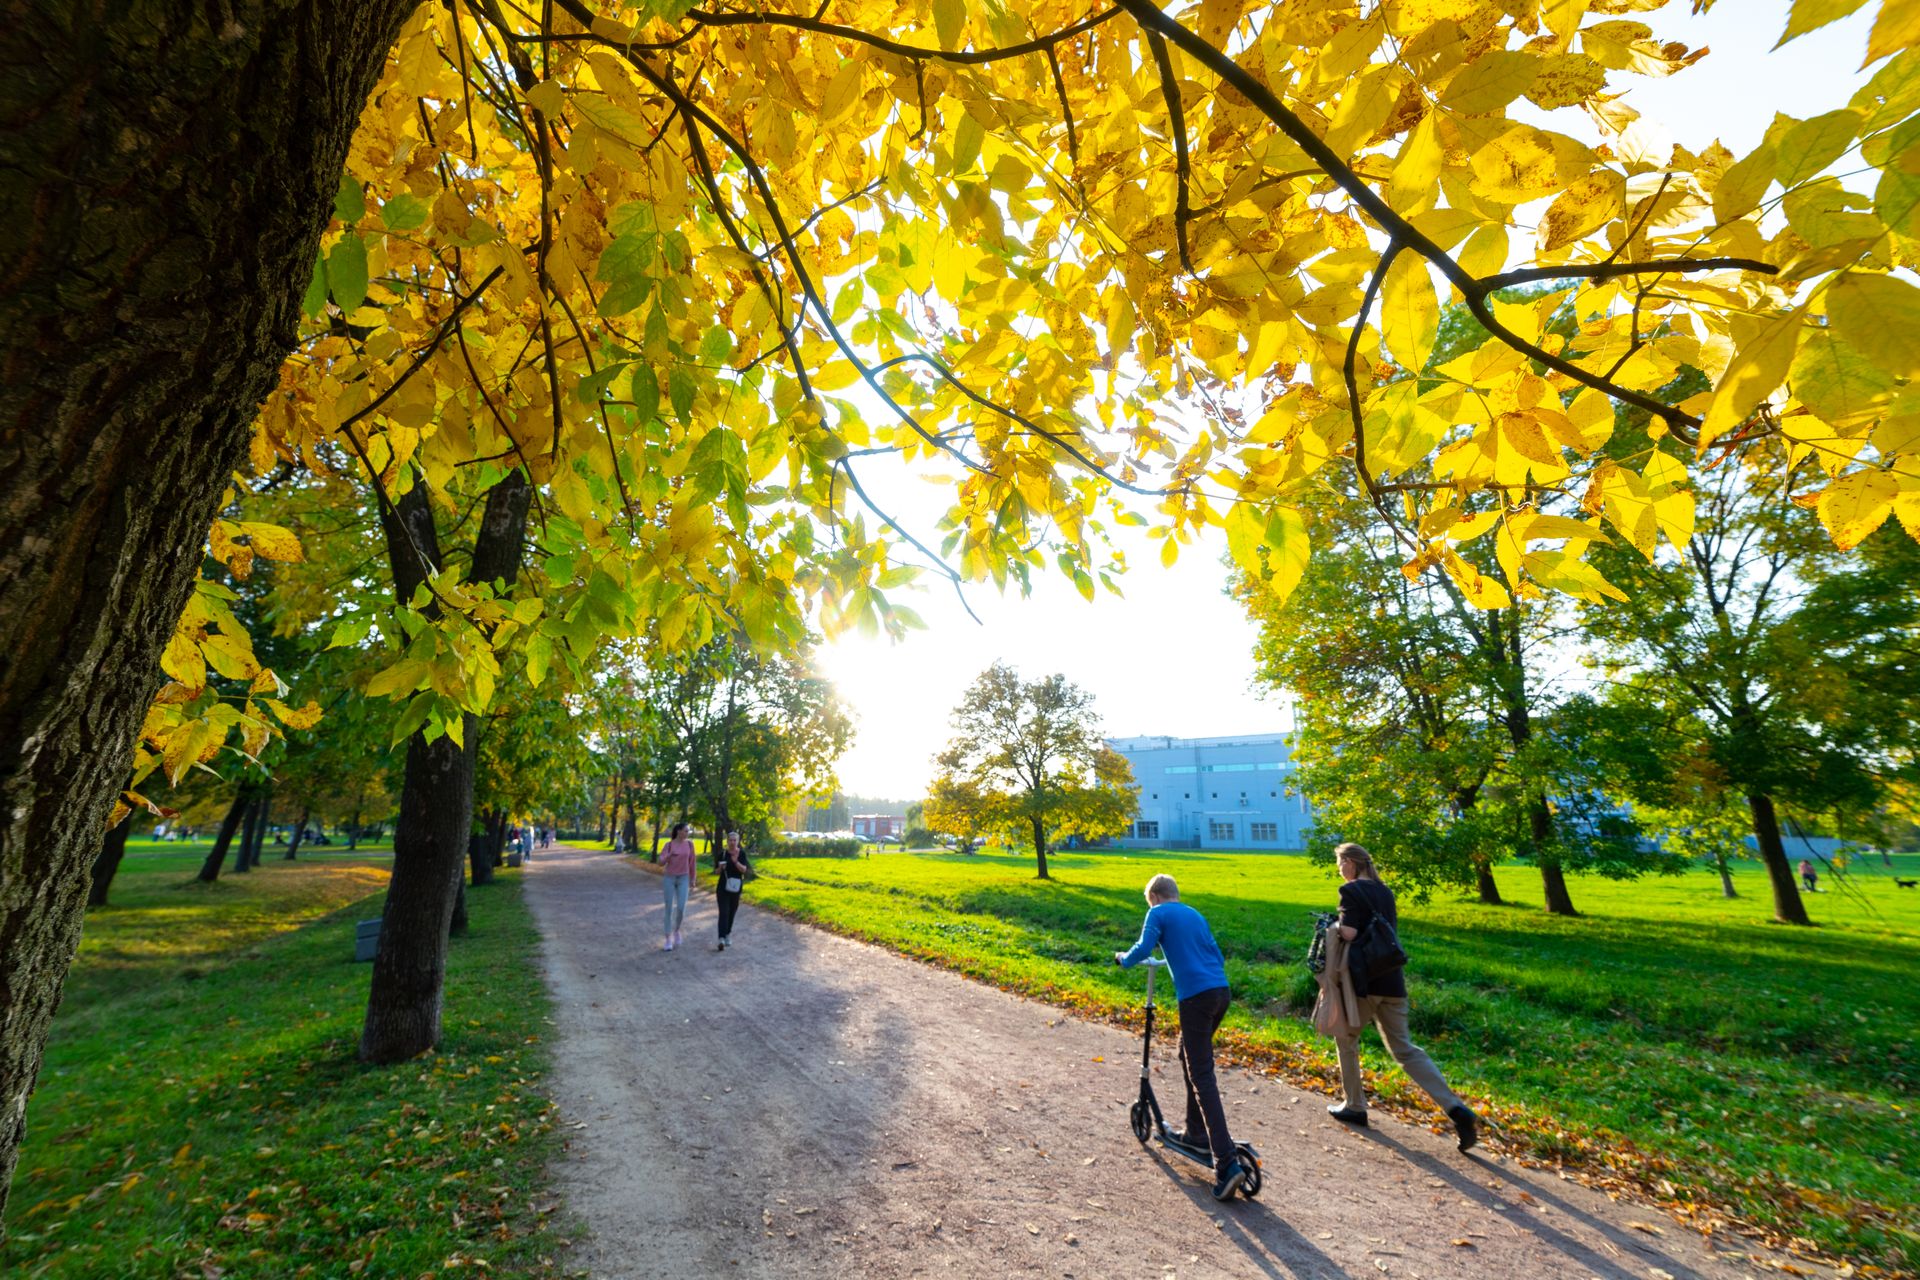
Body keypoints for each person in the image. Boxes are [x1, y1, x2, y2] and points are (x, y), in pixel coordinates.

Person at [1325, 842, 1479, 1152]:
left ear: (1353, 864)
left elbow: (1351, 933)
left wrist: (1335, 926)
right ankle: (1454, 1107)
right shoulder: (1385, 891)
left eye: (1341, 864)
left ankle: (1355, 1105)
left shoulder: (1351, 890)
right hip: (1393, 981)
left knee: (1346, 1038)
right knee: (1405, 1049)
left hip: (1364, 983)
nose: (1340, 870)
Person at [1114, 873, 1249, 1202]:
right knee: (1187, 1056)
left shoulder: (1157, 913)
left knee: (1202, 1074)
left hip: (1196, 998)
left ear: (1156, 897)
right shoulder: (1195, 913)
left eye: (1151, 903)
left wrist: (1124, 959)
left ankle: (1226, 1163)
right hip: (1221, 992)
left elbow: (1143, 947)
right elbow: (1217, 956)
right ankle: (1196, 1132)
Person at [659, 822, 697, 951]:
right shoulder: (669, 845)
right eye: (686, 831)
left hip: (684, 878)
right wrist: (668, 856)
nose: (687, 833)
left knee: (681, 907)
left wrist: (693, 879)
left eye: (688, 831)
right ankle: (668, 938)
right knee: (669, 908)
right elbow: (660, 862)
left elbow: (692, 863)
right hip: (669, 878)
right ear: (679, 831)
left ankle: (677, 931)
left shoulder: (690, 845)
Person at [714, 829, 753, 950]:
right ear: (727, 841)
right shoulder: (723, 854)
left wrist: (736, 862)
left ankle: (727, 934)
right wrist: (720, 868)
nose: (732, 842)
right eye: (730, 840)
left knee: (732, 912)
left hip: (736, 887)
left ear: (738, 841)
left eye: (734, 840)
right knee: (724, 912)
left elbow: (744, 870)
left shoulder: (741, 854)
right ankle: (721, 938)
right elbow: (716, 872)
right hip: (723, 887)